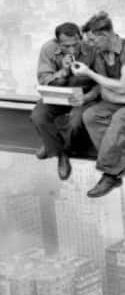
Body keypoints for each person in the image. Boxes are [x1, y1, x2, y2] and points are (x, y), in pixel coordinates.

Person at [73, 12, 125, 197]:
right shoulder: (101, 54)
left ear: (105, 35)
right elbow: (105, 90)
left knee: (121, 118)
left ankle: (110, 173)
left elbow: (122, 86)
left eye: (93, 40)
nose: (90, 45)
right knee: (91, 115)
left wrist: (90, 74)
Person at [31, 22, 99, 180]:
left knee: (76, 122)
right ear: (57, 43)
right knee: (38, 116)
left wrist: (87, 97)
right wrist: (64, 71)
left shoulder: (92, 49)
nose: (72, 50)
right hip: (57, 93)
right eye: (66, 46)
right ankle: (60, 154)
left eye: (75, 44)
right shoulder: (48, 49)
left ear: (81, 38)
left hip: (83, 95)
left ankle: (51, 144)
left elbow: (101, 81)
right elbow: (44, 80)